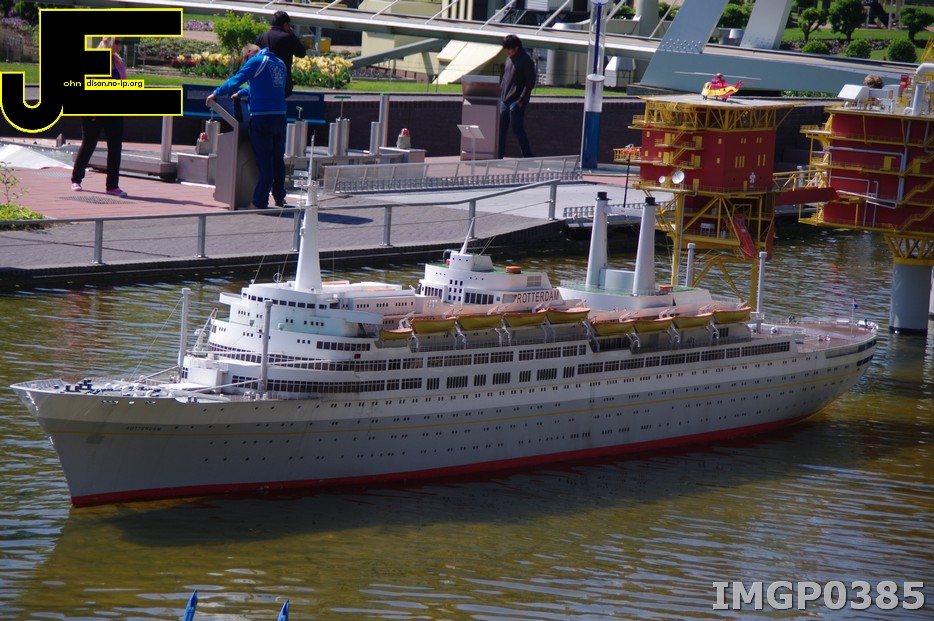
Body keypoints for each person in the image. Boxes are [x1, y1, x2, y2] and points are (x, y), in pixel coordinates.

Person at [206, 44, 288, 209]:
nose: (245, 61)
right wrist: (242, 93)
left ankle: (259, 202)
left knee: (264, 162)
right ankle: (280, 197)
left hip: (262, 117)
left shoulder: (256, 61)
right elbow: (264, 86)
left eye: (245, 58)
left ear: (250, 53)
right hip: (280, 117)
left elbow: (236, 80)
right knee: (278, 160)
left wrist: (216, 93)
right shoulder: (280, 63)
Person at [71, 37, 127, 197]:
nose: (119, 46)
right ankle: (76, 179)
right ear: (107, 42)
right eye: (116, 42)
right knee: (89, 143)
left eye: (121, 42)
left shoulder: (118, 62)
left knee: (115, 147)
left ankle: (112, 186)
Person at [497, 34, 535, 159]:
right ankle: (498, 156)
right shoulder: (508, 60)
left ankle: (528, 156)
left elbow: (530, 83)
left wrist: (521, 100)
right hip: (505, 100)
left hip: (517, 101)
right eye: (505, 49)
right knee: (501, 130)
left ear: (516, 47)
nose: (507, 51)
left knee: (517, 128)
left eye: (509, 48)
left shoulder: (527, 61)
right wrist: (500, 94)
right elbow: (504, 79)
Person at [255, 11, 307, 98]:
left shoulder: (261, 37)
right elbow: (301, 53)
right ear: (285, 24)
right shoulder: (288, 37)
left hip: (262, 80)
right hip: (281, 82)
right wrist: (292, 35)